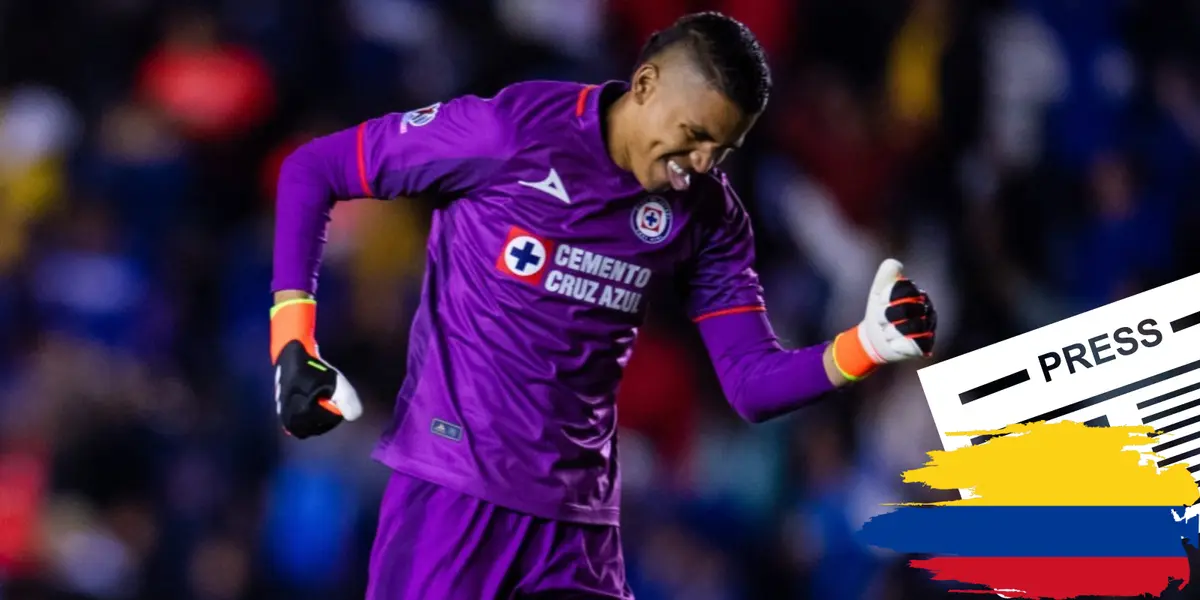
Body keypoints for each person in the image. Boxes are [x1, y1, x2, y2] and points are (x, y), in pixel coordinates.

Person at [269, 11, 937, 599]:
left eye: (723, 149)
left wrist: (864, 347)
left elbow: (750, 384)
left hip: (576, 531)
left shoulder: (709, 217)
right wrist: (292, 342)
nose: (701, 164)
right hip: (454, 499)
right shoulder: (508, 134)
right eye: (695, 133)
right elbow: (315, 170)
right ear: (645, 85)